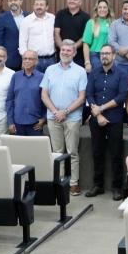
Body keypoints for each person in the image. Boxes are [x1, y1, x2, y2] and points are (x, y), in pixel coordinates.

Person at [41, 40, 87, 196]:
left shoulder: (80, 71)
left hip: (72, 117)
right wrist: (55, 111)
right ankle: (60, 182)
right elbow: (44, 94)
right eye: (63, 50)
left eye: (69, 50)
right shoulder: (50, 69)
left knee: (72, 151)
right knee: (57, 152)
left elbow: (81, 97)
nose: (65, 52)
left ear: (74, 53)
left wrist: (65, 111)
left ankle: (74, 183)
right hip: (53, 117)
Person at [85, 44, 128, 200]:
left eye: (107, 54)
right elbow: (89, 95)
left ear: (114, 56)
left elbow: (122, 96)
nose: (104, 56)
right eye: (102, 54)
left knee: (116, 153)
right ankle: (98, 185)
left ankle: (117, 187)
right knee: (97, 152)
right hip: (96, 119)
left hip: (115, 119)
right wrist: (97, 115)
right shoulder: (94, 73)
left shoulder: (122, 73)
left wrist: (101, 108)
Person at [6, 51, 46, 136]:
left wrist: (43, 118)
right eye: (25, 58)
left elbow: (46, 100)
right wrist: (10, 122)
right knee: (19, 149)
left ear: (36, 61)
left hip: (35, 123)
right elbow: (10, 100)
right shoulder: (15, 76)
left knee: (35, 148)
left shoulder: (42, 77)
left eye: (30, 59)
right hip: (17, 122)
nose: (27, 61)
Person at [19, 0, 57, 73]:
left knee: (50, 84)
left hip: (51, 60)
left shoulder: (52, 18)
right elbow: (22, 42)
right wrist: (26, 60)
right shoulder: (26, 21)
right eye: (36, 4)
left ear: (47, 7)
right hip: (33, 61)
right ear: (33, 6)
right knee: (33, 84)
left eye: (41, 5)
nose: (39, 7)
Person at [55, 0, 90, 67]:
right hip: (61, 55)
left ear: (80, 2)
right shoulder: (60, 14)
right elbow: (56, 33)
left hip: (78, 56)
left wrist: (72, 48)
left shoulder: (86, 17)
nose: (72, 1)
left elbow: (85, 36)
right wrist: (64, 49)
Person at [0, 0, 28, 70]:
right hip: (10, 59)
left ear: (21, 1)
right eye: (10, 1)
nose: (13, 2)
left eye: (15, 0)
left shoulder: (28, 16)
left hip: (27, 58)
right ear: (8, 3)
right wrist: (0, 56)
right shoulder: (2, 18)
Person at [82, 0, 113, 74]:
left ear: (108, 10)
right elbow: (86, 43)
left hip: (109, 55)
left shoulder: (113, 23)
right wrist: (87, 62)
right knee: (98, 77)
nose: (102, 9)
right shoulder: (91, 22)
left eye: (105, 7)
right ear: (97, 9)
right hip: (95, 55)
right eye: (100, 7)